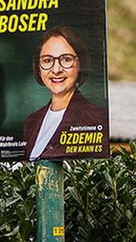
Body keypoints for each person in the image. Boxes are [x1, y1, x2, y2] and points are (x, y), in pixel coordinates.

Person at [22, 26, 109, 161]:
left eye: (66, 59)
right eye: (47, 60)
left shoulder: (95, 119)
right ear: (38, 67)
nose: (56, 70)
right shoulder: (31, 121)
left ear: (80, 63)